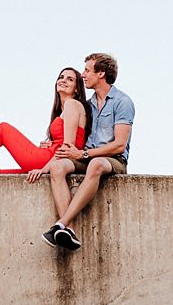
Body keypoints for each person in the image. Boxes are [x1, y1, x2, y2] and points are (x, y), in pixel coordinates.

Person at [41, 52, 134, 252]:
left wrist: (83, 155)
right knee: (57, 167)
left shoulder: (122, 101)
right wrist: (52, 145)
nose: (83, 75)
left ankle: (60, 224)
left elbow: (119, 145)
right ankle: (69, 231)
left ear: (101, 74)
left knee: (96, 164)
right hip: (87, 156)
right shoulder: (88, 105)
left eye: (87, 70)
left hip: (113, 160)